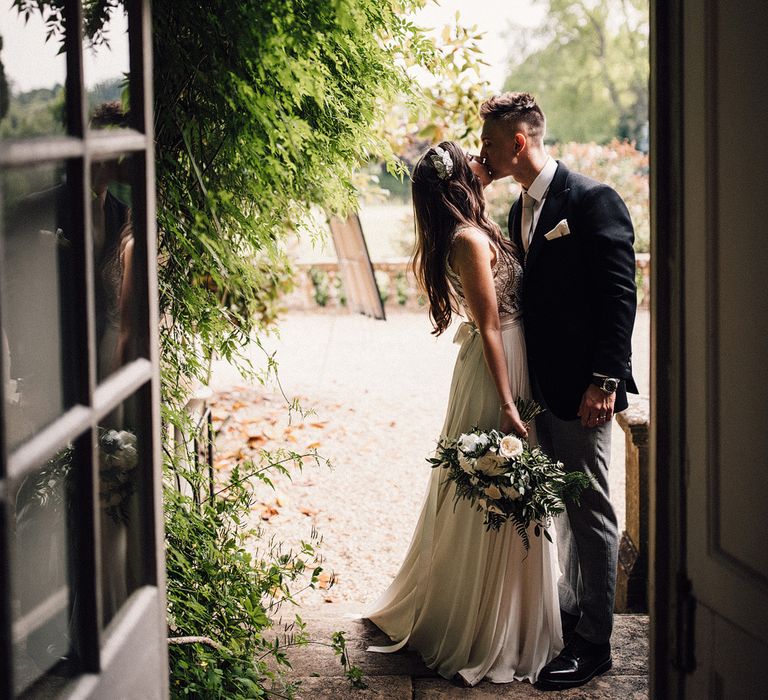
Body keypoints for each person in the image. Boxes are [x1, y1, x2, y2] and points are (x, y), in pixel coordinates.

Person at [365, 141, 563, 686]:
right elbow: (492, 325)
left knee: (506, 487)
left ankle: (513, 614)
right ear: (459, 180)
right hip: (497, 367)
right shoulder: (469, 241)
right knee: (497, 485)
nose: (484, 159)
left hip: (506, 357)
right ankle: (487, 624)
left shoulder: (471, 230)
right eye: (474, 157)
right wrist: (505, 401)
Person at [478, 92, 638, 691]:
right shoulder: (521, 207)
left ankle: (596, 644)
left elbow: (621, 298)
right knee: (562, 507)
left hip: (583, 390)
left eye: (490, 142)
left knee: (592, 508)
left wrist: (605, 381)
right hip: (540, 387)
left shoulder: (592, 200)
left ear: (518, 142)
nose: (484, 152)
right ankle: (571, 616)